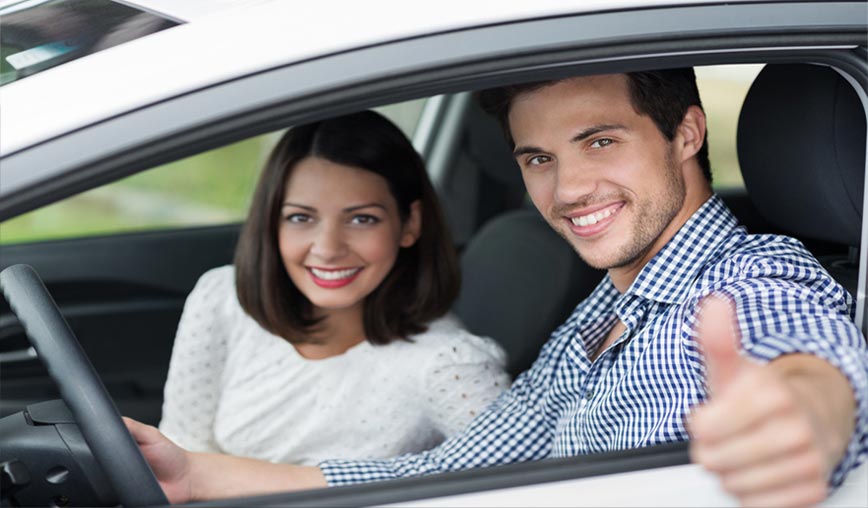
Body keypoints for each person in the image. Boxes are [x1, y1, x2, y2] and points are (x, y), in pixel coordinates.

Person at [126, 69, 868, 507]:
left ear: (686, 133)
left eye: (600, 140)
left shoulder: (752, 276)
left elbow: (807, 357)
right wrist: (195, 472)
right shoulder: (596, 318)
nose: (569, 187)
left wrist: (804, 412)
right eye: (538, 158)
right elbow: (448, 472)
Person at [152, 110, 510, 471]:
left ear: (409, 224)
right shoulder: (223, 298)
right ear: (271, 223)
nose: (327, 248)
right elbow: (183, 448)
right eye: (301, 218)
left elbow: (521, 486)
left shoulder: (449, 364)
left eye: (361, 219)